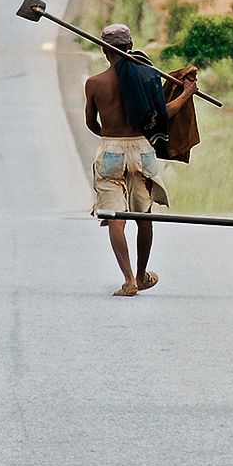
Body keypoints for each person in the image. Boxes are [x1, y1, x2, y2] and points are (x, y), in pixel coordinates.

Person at [84, 23, 195, 297]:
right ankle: (143, 274)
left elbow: (90, 123)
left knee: (115, 218)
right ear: (130, 46)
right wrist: (186, 94)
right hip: (142, 150)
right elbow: (161, 114)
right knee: (143, 217)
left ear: (103, 49)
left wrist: (108, 135)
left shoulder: (95, 83)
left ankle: (129, 279)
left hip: (111, 148)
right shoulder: (146, 77)